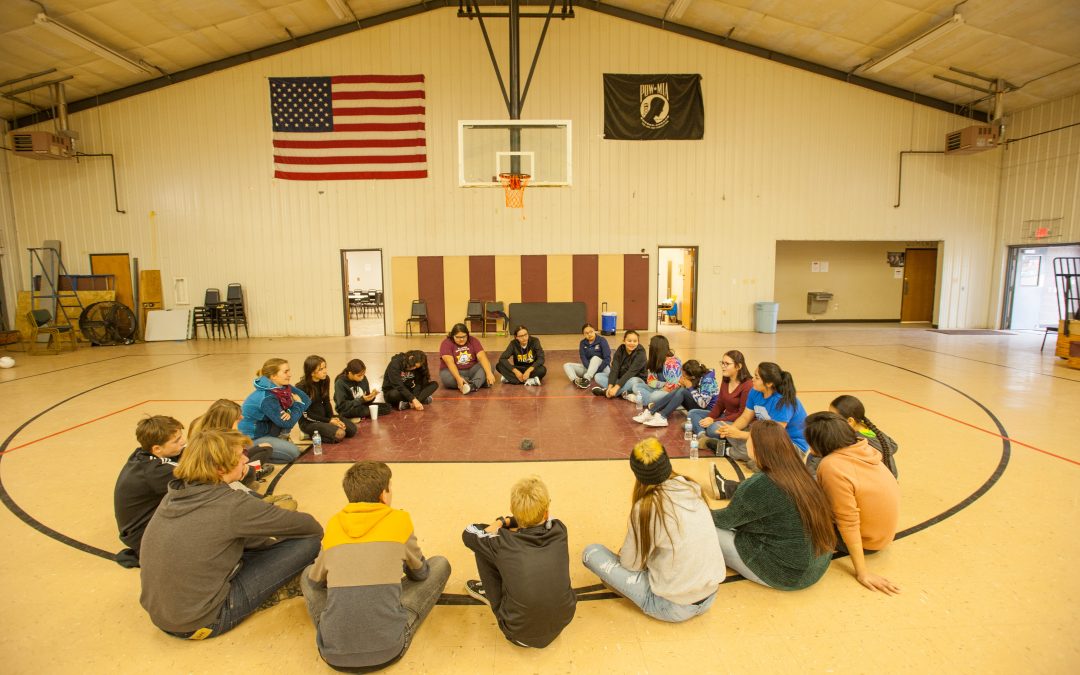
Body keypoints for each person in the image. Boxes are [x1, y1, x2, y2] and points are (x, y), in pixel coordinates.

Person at [139, 430, 322, 639]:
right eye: (239, 456)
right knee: (308, 544)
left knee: (245, 540)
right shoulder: (231, 505)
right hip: (205, 621)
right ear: (219, 469)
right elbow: (311, 527)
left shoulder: (175, 493)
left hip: (164, 616)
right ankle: (269, 592)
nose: (246, 458)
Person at [301, 461, 451, 671]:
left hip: (332, 654)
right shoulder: (399, 519)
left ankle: (336, 624)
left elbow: (315, 582)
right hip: (389, 648)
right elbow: (421, 573)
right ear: (384, 494)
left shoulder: (334, 523)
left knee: (308, 573)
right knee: (440, 564)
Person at [581, 438, 723, 622]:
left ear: (637, 474)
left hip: (672, 607)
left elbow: (631, 564)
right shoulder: (690, 486)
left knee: (591, 553)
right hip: (710, 596)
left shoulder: (645, 508)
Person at [711, 421, 835, 590]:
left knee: (702, 526)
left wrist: (698, 510)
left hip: (783, 573)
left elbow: (724, 520)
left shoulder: (761, 484)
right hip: (815, 568)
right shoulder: (801, 474)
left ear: (755, 446)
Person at [462, 476, 576, 648]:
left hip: (518, 634)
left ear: (512, 510)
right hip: (561, 623)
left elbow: (469, 533)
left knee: (482, 545)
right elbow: (542, 519)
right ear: (546, 511)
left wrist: (502, 521)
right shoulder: (560, 529)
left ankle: (490, 593)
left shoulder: (501, 543)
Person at [804, 411, 901, 594]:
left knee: (795, 505)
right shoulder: (863, 448)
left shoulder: (831, 465)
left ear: (818, 443)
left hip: (867, 542)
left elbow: (848, 521)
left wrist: (862, 572)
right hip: (882, 535)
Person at [113, 415, 185, 568]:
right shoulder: (156, 472)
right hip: (142, 536)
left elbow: (184, 455)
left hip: (138, 529)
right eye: (176, 441)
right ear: (157, 449)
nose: (183, 442)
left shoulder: (143, 454)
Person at [716, 362, 808, 468]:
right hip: (764, 436)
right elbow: (745, 417)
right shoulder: (755, 391)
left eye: (757, 377)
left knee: (754, 463)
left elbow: (773, 436)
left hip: (789, 444)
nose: (752, 380)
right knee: (718, 428)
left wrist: (739, 434)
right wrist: (731, 430)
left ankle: (729, 450)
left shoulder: (782, 402)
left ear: (769, 383)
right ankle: (739, 450)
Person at [238, 358, 310, 462]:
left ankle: (279, 443)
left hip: (267, 431)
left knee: (289, 413)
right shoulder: (267, 397)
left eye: (289, 370)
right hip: (251, 440)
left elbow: (306, 400)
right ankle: (254, 456)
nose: (290, 374)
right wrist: (297, 405)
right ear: (273, 376)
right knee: (294, 453)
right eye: (285, 372)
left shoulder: (284, 387)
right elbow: (287, 423)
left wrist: (290, 411)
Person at [190, 398, 274, 485]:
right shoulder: (216, 440)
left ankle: (252, 470)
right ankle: (252, 473)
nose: (242, 418)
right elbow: (219, 467)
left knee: (265, 448)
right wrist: (243, 467)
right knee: (250, 471)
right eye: (237, 420)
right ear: (227, 421)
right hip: (220, 475)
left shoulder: (201, 424)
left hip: (229, 464)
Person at [689, 350, 753, 453]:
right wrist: (711, 417)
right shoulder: (726, 379)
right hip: (724, 416)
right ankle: (703, 436)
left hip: (737, 421)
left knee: (712, 427)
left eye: (727, 364)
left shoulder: (747, 385)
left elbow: (742, 414)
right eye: (722, 363)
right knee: (693, 413)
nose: (723, 366)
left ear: (738, 366)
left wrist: (714, 420)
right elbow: (720, 403)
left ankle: (701, 429)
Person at [828, 394, 899, 478]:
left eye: (833, 417)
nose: (829, 420)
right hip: (890, 480)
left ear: (850, 421)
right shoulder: (868, 428)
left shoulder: (857, 441)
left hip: (876, 482)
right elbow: (893, 446)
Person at [635, 359, 718, 428]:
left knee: (682, 391)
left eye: (684, 375)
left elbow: (703, 404)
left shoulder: (708, 381)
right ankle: (650, 412)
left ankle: (662, 417)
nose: (682, 377)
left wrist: (690, 388)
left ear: (692, 377)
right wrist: (682, 385)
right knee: (680, 390)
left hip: (706, 411)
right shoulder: (697, 377)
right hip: (697, 405)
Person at [296, 355, 358, 444]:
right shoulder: (301, 387)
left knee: (352, 430)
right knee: (340, 434)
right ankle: (308, 434)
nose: (325, 371)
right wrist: (329, 421)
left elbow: (326, 401)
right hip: (309, 422)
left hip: (325, 418)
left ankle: (325, 430)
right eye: (321, 369)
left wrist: (332, 418)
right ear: (312, 372)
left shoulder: (325, 379)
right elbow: (307, 415)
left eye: (325, 367)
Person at [439, 323, 496, 394]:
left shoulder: (473, 340)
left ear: (467, 335)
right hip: (454, 371)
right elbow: (449, 362)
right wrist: (458, 378)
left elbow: (482, 356)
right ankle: (478, 382)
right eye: (458, 337)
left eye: (464, 336)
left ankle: (471, 386)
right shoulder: (446, 343)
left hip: (472, 370)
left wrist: (488, 373)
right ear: (452, 336)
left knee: (489, 366)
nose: (461, 339)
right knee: (446, 379)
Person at [591, 329, 647, 399]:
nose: (632, 343)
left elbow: (631, 373)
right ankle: (621, 392)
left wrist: (616, 388)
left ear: (638, 342)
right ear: (624, 341)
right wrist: (610, 386)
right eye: (629, 341)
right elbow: (615, 369)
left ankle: (606, 393)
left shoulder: (641, 353)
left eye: (635, 341)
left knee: (634, 381)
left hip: (636, 380)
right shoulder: (621, 349)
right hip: (621, 379)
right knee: (598, 376)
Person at [630, 335, 682, 407]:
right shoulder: (655, 360)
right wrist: (662, 385)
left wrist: (659, 389)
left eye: (650, 346)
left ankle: (639, 399)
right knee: (636, 386)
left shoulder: (673, 363)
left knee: (655, 395)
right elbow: (650, 381)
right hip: (658, 388)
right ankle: (651, 402)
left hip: (670, 392)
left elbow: (673, 386)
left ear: (655, 349)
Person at [563, 323, 611, 389]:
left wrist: (596, 370)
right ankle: (577, 381)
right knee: (567, 365)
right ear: (583, 334)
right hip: (589, 369)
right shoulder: (582, 343)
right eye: (586, 333)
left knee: (595, 358)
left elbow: (607, 359)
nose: (589, 334)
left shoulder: (602, 340)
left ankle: (586, 379)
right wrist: (591, 369)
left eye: (591, 332)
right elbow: (583, 358)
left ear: (594, 331)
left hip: (603, 369)